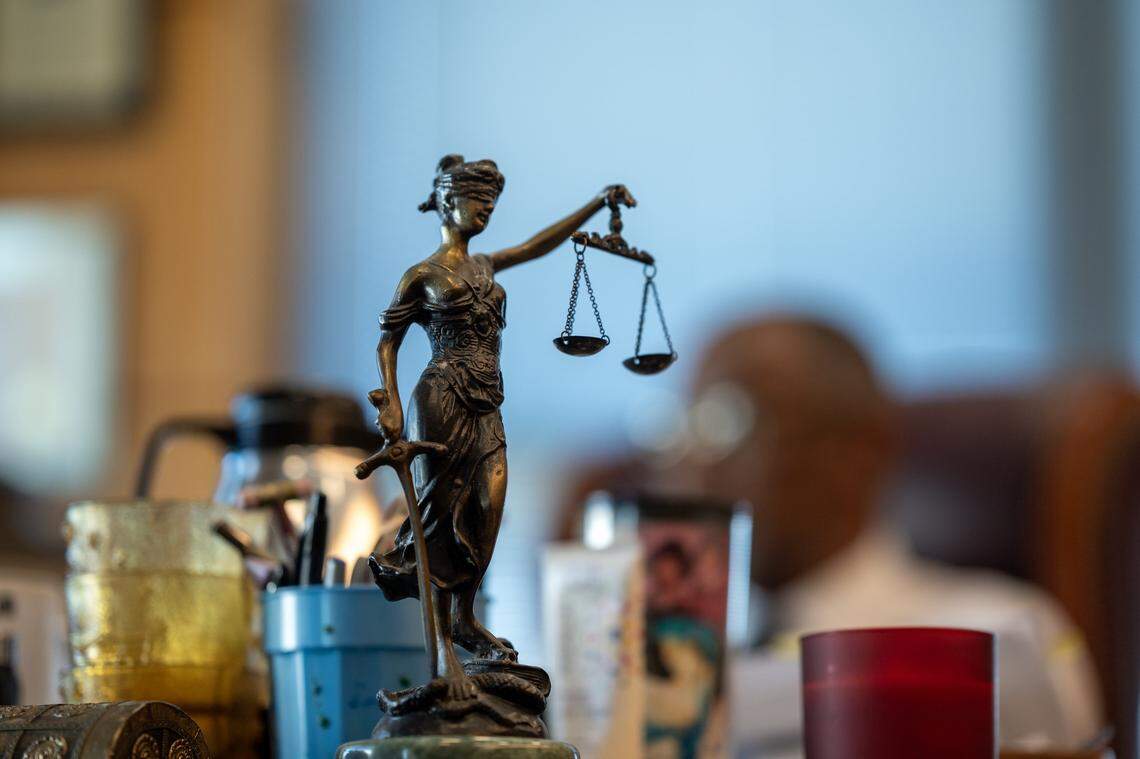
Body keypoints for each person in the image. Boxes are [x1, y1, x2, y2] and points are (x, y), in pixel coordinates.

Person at [669, 315, 1103, 756]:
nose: (696, 462)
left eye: (729, 422)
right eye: (689, 425)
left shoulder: (1000, 639)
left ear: (860, 450)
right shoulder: (670, 657)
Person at [367, 153, 634, 682]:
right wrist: (391, 402)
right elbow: (388, 341)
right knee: (439, 516)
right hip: (440, 397)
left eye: (491, 203)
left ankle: (464, 618)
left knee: (486, 508)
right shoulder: (422, 275)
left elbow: (537, 245)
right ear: (447, 202)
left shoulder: (485, 266)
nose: (485, 210)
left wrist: (595, 204)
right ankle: (443, 645)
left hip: (488, 401)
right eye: (476, 200)